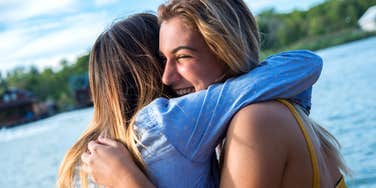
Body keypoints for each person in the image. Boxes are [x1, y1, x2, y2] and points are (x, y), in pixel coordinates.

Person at [57, 1, 343, 187]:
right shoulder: (242, 124)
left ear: (224, 51)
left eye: (182, 57)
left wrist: (128, 182)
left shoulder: (256, 122)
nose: (166, 78)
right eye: (163, 60)